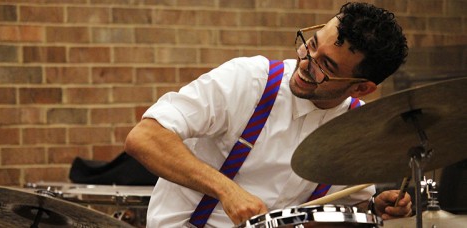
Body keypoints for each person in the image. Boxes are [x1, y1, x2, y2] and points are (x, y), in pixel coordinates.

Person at [125, 2, 412, 227]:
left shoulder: (358, 129)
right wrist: (227, 190)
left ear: (362, 88)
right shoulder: (249, 80)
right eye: (311, 44)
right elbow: (145, 137)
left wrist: (374, 207)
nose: (304, 62)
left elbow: (344, 212)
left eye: (326, 65)